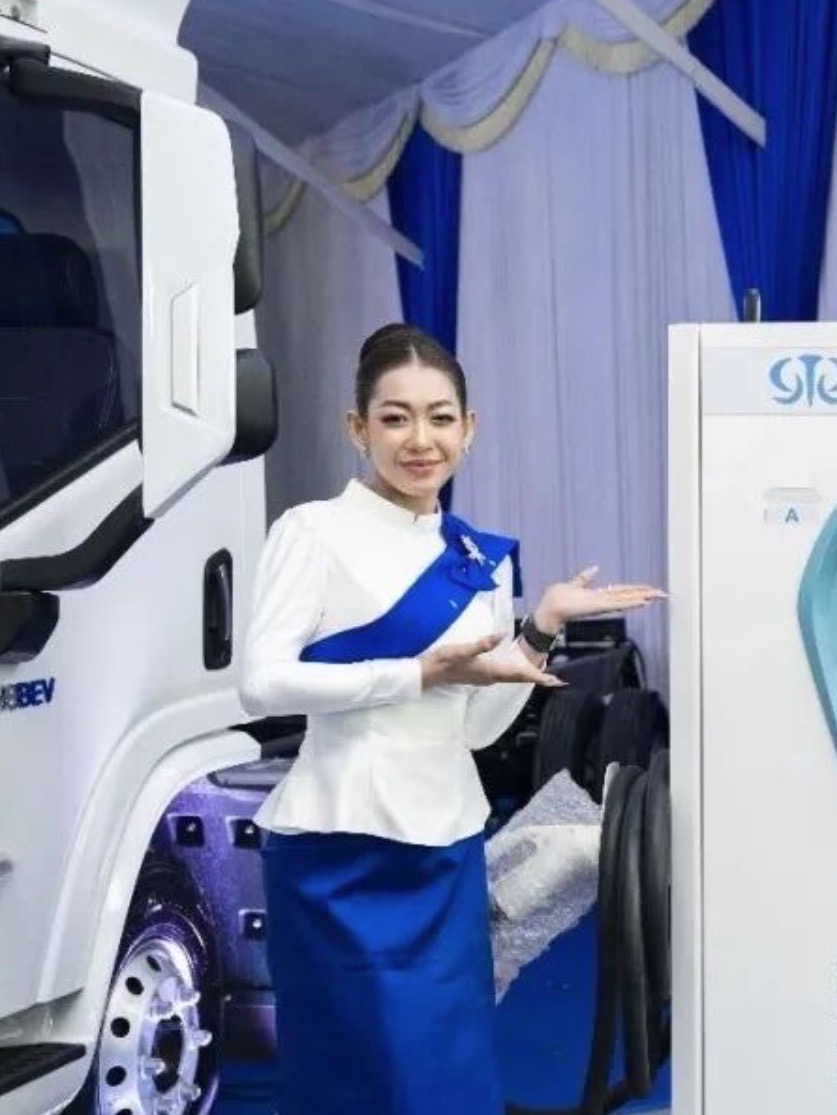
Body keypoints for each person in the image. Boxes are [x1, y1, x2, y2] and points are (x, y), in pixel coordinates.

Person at [237, 322, 665, 1114]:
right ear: (357, 427)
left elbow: (476, 728)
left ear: (469, 429)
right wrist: (415, 672)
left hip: (444, 851)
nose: (420, 439)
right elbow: (261, 684)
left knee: (446, 1072)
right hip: (338, 850)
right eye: (394, 417)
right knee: (348, 1074)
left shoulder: (480, 561)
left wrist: (541, 627)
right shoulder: (312, 531)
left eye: (439, 417)